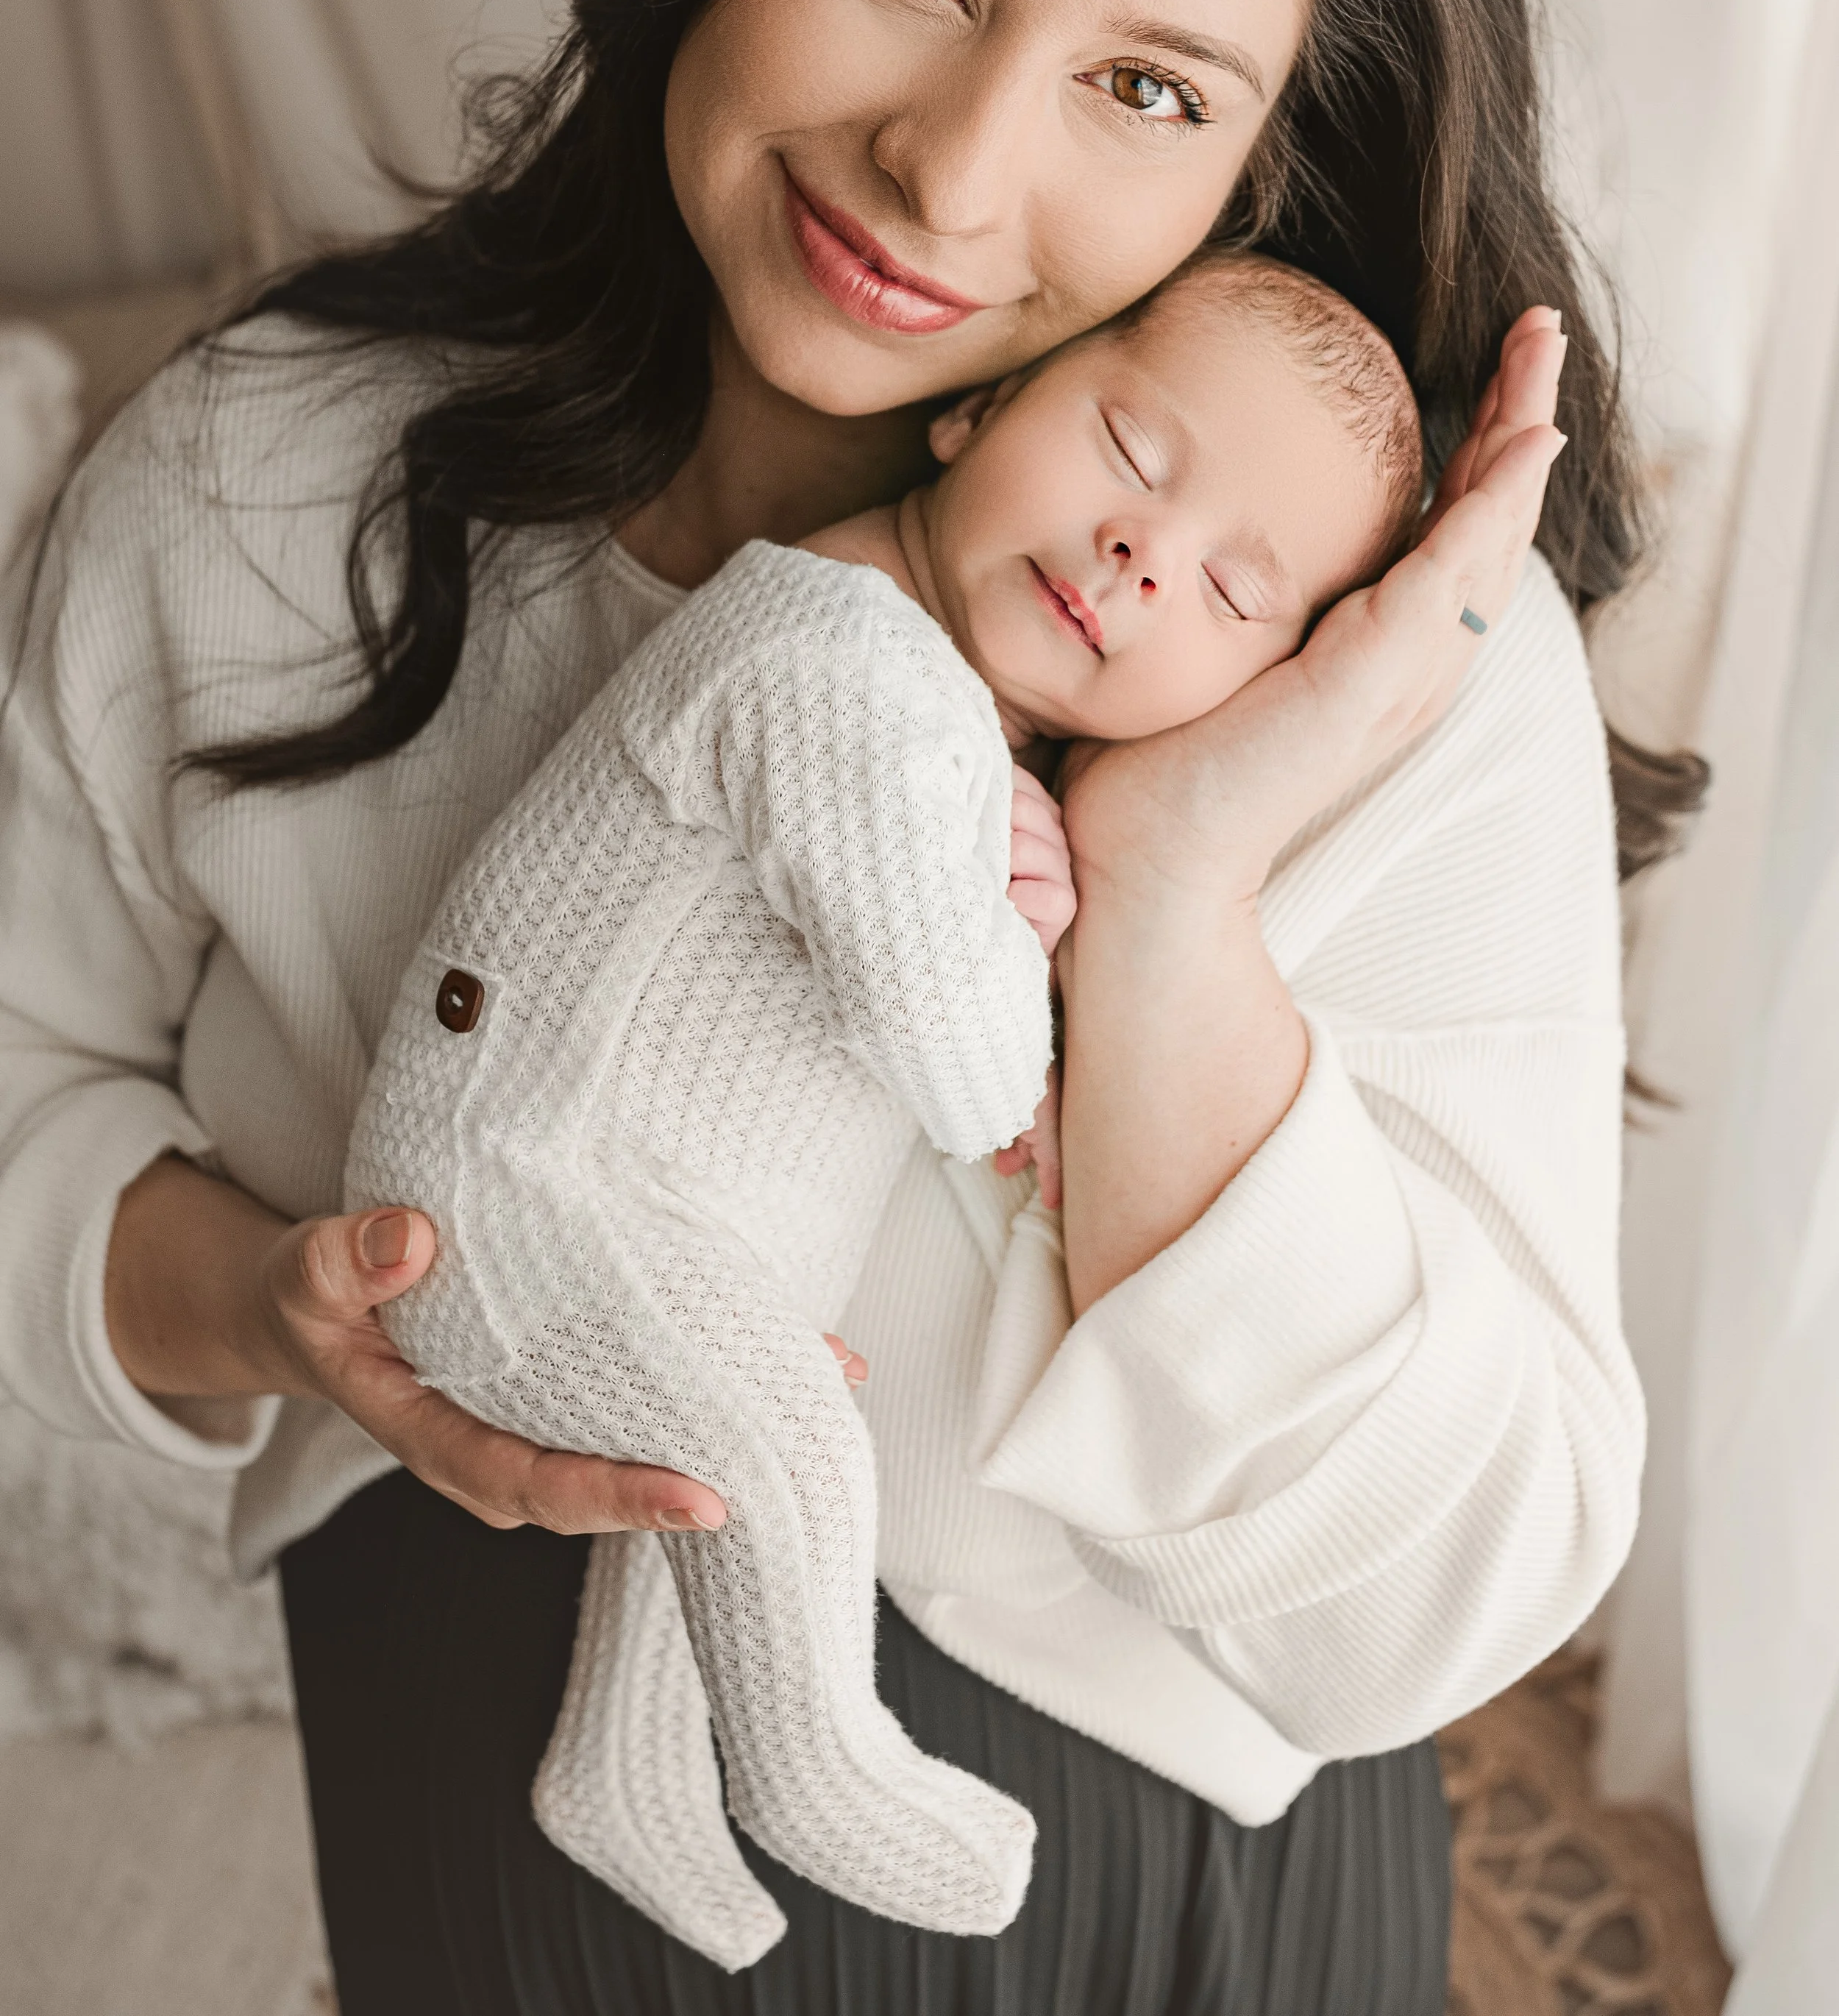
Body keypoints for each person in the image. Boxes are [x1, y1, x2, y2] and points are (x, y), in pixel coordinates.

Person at [0, 0, 1690, 2016]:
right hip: (504, 1774)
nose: (953, 162)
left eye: (1142, 84)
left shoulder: (1370, 652)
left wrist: (1188, 879)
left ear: (1256, 171)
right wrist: (267, 1302)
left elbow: (1429, 1605)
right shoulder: (272, 484)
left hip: (1176, 1875)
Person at [346, 253, 1427, 1971]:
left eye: (1232, 588)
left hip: (610, 1210)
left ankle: (624, 1766)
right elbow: (966, 1069)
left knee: (704, 1457)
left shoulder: (929, 707)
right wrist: (1044, 930)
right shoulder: (852, 669)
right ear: (976, 404)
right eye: (1132, 455)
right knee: (780, 1439)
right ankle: (810, 1758)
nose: (1146, 554)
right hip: (534, 1203)